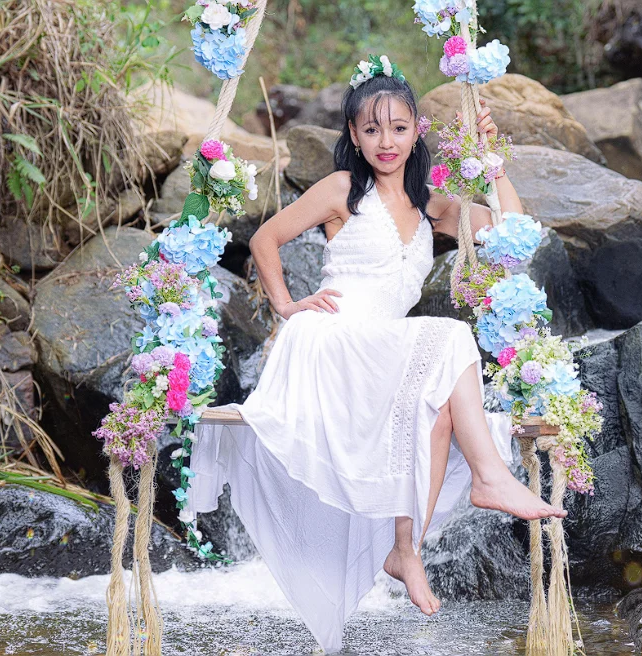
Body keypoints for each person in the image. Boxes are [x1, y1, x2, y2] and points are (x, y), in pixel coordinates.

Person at [187, 56, 564, 654]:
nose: (385, 141)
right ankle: (490, 476)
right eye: (371, 129)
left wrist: (492, 161)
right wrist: (286, 306)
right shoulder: (343, 189)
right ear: (354, 136)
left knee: (438, 409)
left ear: (417, 132)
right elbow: (264, 239)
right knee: (450, 337)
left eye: (397, 128)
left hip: (382, 349)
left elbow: (512, 226)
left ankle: (404, 550)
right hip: (330, 340)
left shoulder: (432, 205)